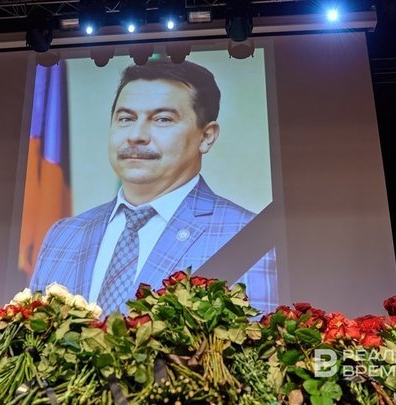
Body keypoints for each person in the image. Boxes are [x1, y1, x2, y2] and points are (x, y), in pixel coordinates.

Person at [29, 59, 276, 313]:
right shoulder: (64, 235)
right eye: (126, 118)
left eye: (162, 119)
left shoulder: (251, 237)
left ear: (206, 136)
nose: (136, 135)